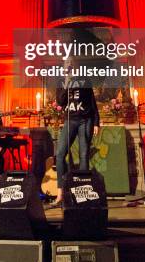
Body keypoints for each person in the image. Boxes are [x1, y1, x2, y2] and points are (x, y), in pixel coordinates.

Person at [51, 56, 100, 207]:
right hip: (70, 120)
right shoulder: (61, 81)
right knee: (60, 154)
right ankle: (60, 193)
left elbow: (92, 102)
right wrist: (66, 83)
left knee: (84, 155)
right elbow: (60, 101)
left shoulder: (84, 78)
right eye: (66, 63)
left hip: (85, 120)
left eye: (71, 62)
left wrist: (96, 122)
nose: (69, 65)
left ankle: (82, 194)